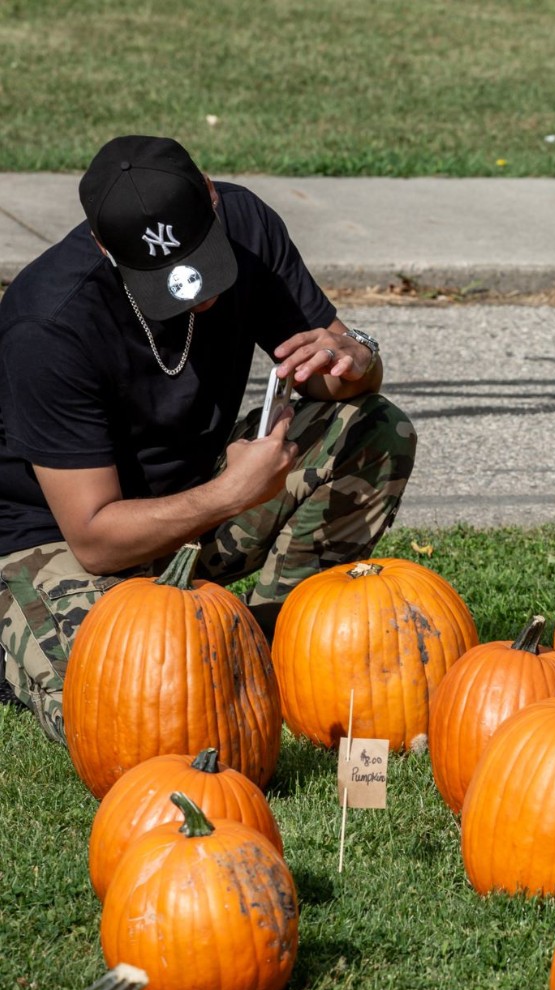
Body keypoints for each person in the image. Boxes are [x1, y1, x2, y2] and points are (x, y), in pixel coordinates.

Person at [0, 135, 417, 745]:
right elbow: (93, 539)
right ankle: (22, 635)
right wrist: (229, 494)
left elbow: (336, 375)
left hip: (200, 497)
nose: (196, 290)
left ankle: (281, 649)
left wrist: (353, 357)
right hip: (55, 539)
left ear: (212, 198)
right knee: (135, 724)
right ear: (102, 246)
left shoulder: (248, 223)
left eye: (202, 258)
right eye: (163, 279)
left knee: (372, 427)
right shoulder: (48, 323)